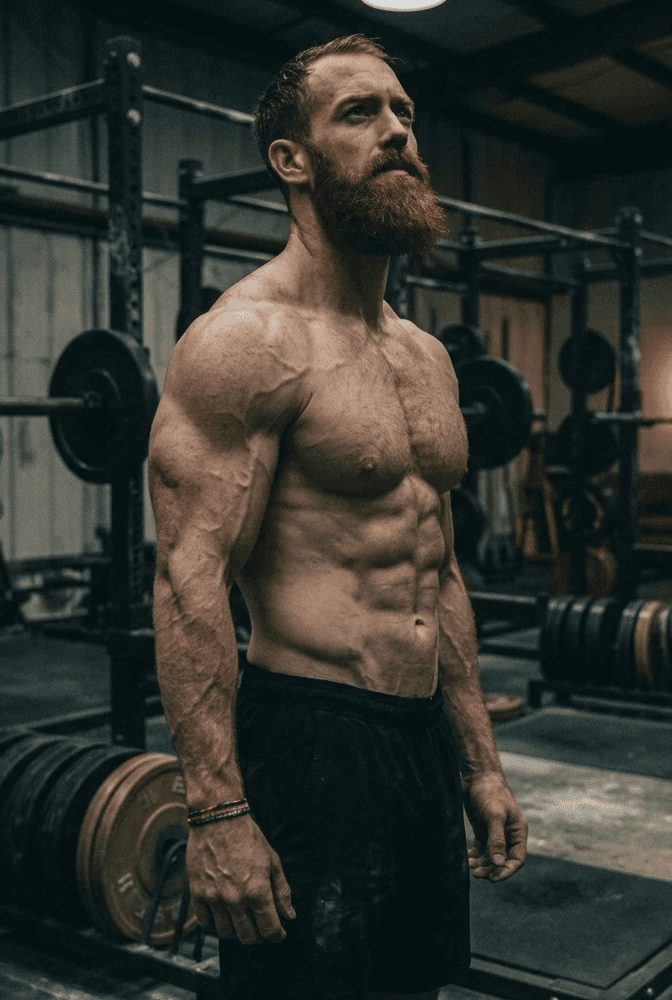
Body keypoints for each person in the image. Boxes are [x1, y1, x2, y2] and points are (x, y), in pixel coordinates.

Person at [148, 33, 528, 1000]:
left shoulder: (424, 358)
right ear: (293, 160)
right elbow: (188, 580)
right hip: (311, 740)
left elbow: (438, 570)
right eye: (359, 114)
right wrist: (217, 813)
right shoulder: (245, 342)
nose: (396, 131)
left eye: (403, 112)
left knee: (416, 986)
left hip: (419, 744)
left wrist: (478, 761)